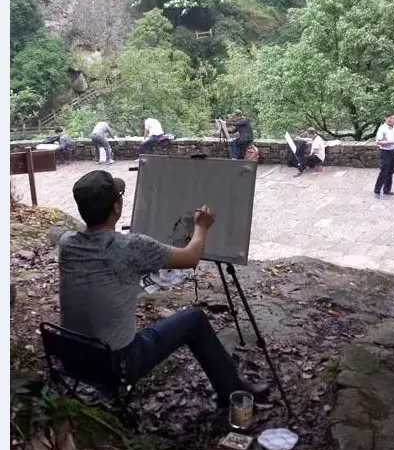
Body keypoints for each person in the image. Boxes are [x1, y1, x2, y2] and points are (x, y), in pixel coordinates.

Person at [58, 170, 269, 407]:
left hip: (71, 357)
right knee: (194, 320)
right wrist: (202, 227)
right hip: (117, 363)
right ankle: (232, 392)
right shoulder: (132, 247)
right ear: (116, 208)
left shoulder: (67, 243)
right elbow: (191, 258)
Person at [374, 113, 394, 197]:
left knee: (391, 171)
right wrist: (390, 142)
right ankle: (377, 190)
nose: (392, 120)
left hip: (393, 151)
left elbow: (393, 139)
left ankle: (387, 190)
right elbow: (378, 142)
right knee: (384, 171)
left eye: (393, 118)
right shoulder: (382, 129)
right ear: (386, 119)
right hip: (385, 152)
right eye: (390, 118)